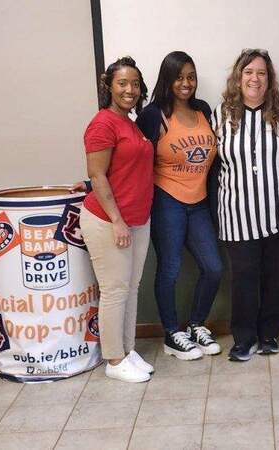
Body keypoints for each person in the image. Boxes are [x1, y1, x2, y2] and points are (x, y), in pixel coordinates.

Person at [212, 49, 279, 362]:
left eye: (261, 73)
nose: (255, 78)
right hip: (237, 214)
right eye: (248, 71)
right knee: (244, 278)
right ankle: (244, 338)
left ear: (270, 79)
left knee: (278, 275)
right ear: (238, 77)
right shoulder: (219, 115)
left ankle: (270, 334)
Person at [136, 51, 223, 361]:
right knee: (170, 270)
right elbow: (133, 158)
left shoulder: (203, 111)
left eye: (191, 76)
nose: (186, 83)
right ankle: (172, 333)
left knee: (213, 268)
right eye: (179, 77)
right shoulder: (154, 115)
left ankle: (197, 325)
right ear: (167, 80)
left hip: (199, 203)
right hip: (167, 202)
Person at [79, 56, 154, 383]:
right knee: (114, 290)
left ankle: (127, 349)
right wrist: (117, 221)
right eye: (123, 83)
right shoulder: (103, 123)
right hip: (110, 221)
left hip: (137, 219)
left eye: (135, 84)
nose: (130, 89)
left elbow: (122, 170)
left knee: (131, 287)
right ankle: (113, 359)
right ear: (109, 86)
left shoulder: (131, 122)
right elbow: (97, 175)